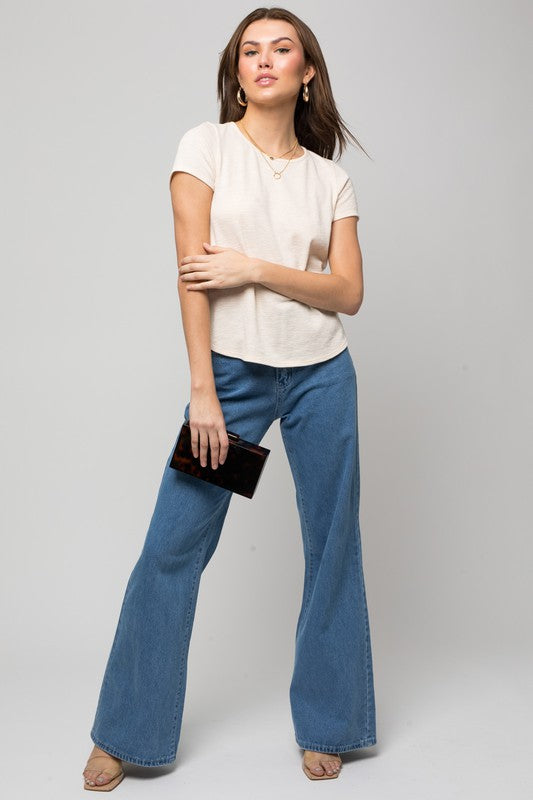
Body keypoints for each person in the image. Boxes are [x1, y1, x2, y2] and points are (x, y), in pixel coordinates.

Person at [82, 7, 377, 790]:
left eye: (282, 48)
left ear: (308, 71)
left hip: (321, 374)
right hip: (233, 379)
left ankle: (330, 724)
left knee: (331, 546)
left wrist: (255, 269)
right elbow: (191, 274)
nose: (265, 60)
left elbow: (346, 292)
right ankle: (127, 732)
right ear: (236, 69)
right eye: (250, 50)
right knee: (173, 548)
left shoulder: (328, 176)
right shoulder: (204, 146)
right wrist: (203, 393)